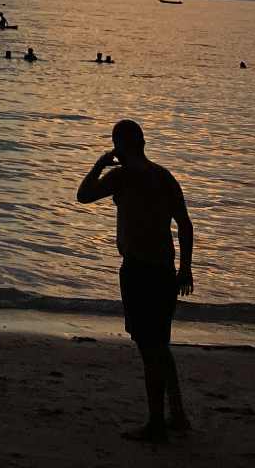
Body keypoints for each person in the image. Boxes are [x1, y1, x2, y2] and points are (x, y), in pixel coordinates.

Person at [76, 119, 194, 442]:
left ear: (119, 147)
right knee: (160, 344)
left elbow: (83, 195)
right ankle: (177, 413)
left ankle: (157, 423)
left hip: (139, 270)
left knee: (149, 347)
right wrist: (185, 268)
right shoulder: (164, 176)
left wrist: (99, 164)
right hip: (165, 270)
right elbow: (185, 225)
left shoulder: (122, 176)